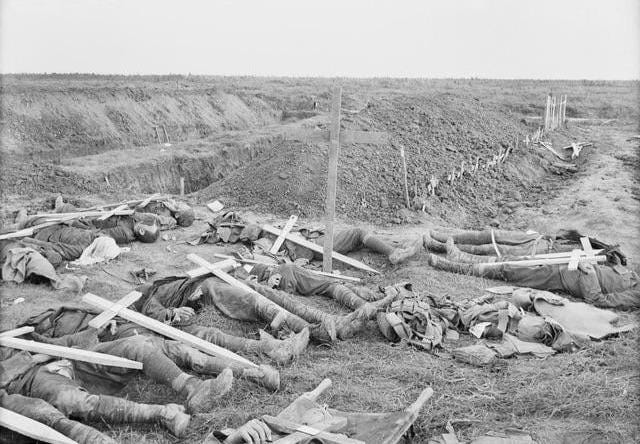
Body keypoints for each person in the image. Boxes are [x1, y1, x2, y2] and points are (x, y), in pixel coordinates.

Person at [0, 326, 234, 438]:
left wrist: (92, 332)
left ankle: (194, 387)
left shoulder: (9, 336)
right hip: (31, 379)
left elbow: (57, 340)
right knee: (72, 400)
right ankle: (163, 414)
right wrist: (28, 359)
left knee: (135, 346)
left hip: (72, 358)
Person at [21, 304, 281, 391]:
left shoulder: (87, 310)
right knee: (142, 346)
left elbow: (139, 311)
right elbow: (69, 348)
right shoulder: (64, 333)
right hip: (120, 348)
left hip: (143, 334)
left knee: (188, 351)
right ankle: (194, 388)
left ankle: (254, 373)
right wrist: (96, 330)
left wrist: (111, 319)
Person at [135, 274, 310, 364]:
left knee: (233, 292)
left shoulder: (163, 286)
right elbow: (155, 313)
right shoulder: (149, 297)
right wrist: (175, 312)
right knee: (210, 333)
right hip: (186, 313)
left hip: (197, 293)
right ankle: (276, 346)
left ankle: (289, 329)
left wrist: (187, 301)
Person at [425, 237, 640, 309]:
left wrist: (590, 272)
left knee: (510, 271)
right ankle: (462, 257)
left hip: (563, 278)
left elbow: (598, 299)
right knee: (515, 260)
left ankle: (451, 266)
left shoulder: (635, 293)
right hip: (570, 263)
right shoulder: (633, 275)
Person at [200, 212, 422, 265]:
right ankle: (393, 252)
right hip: (313, 247)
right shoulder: (266, 241)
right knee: (357, 232)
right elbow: (277, 256)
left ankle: (397, 247)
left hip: (310, 246)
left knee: (356, 239)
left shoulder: (268, 238)